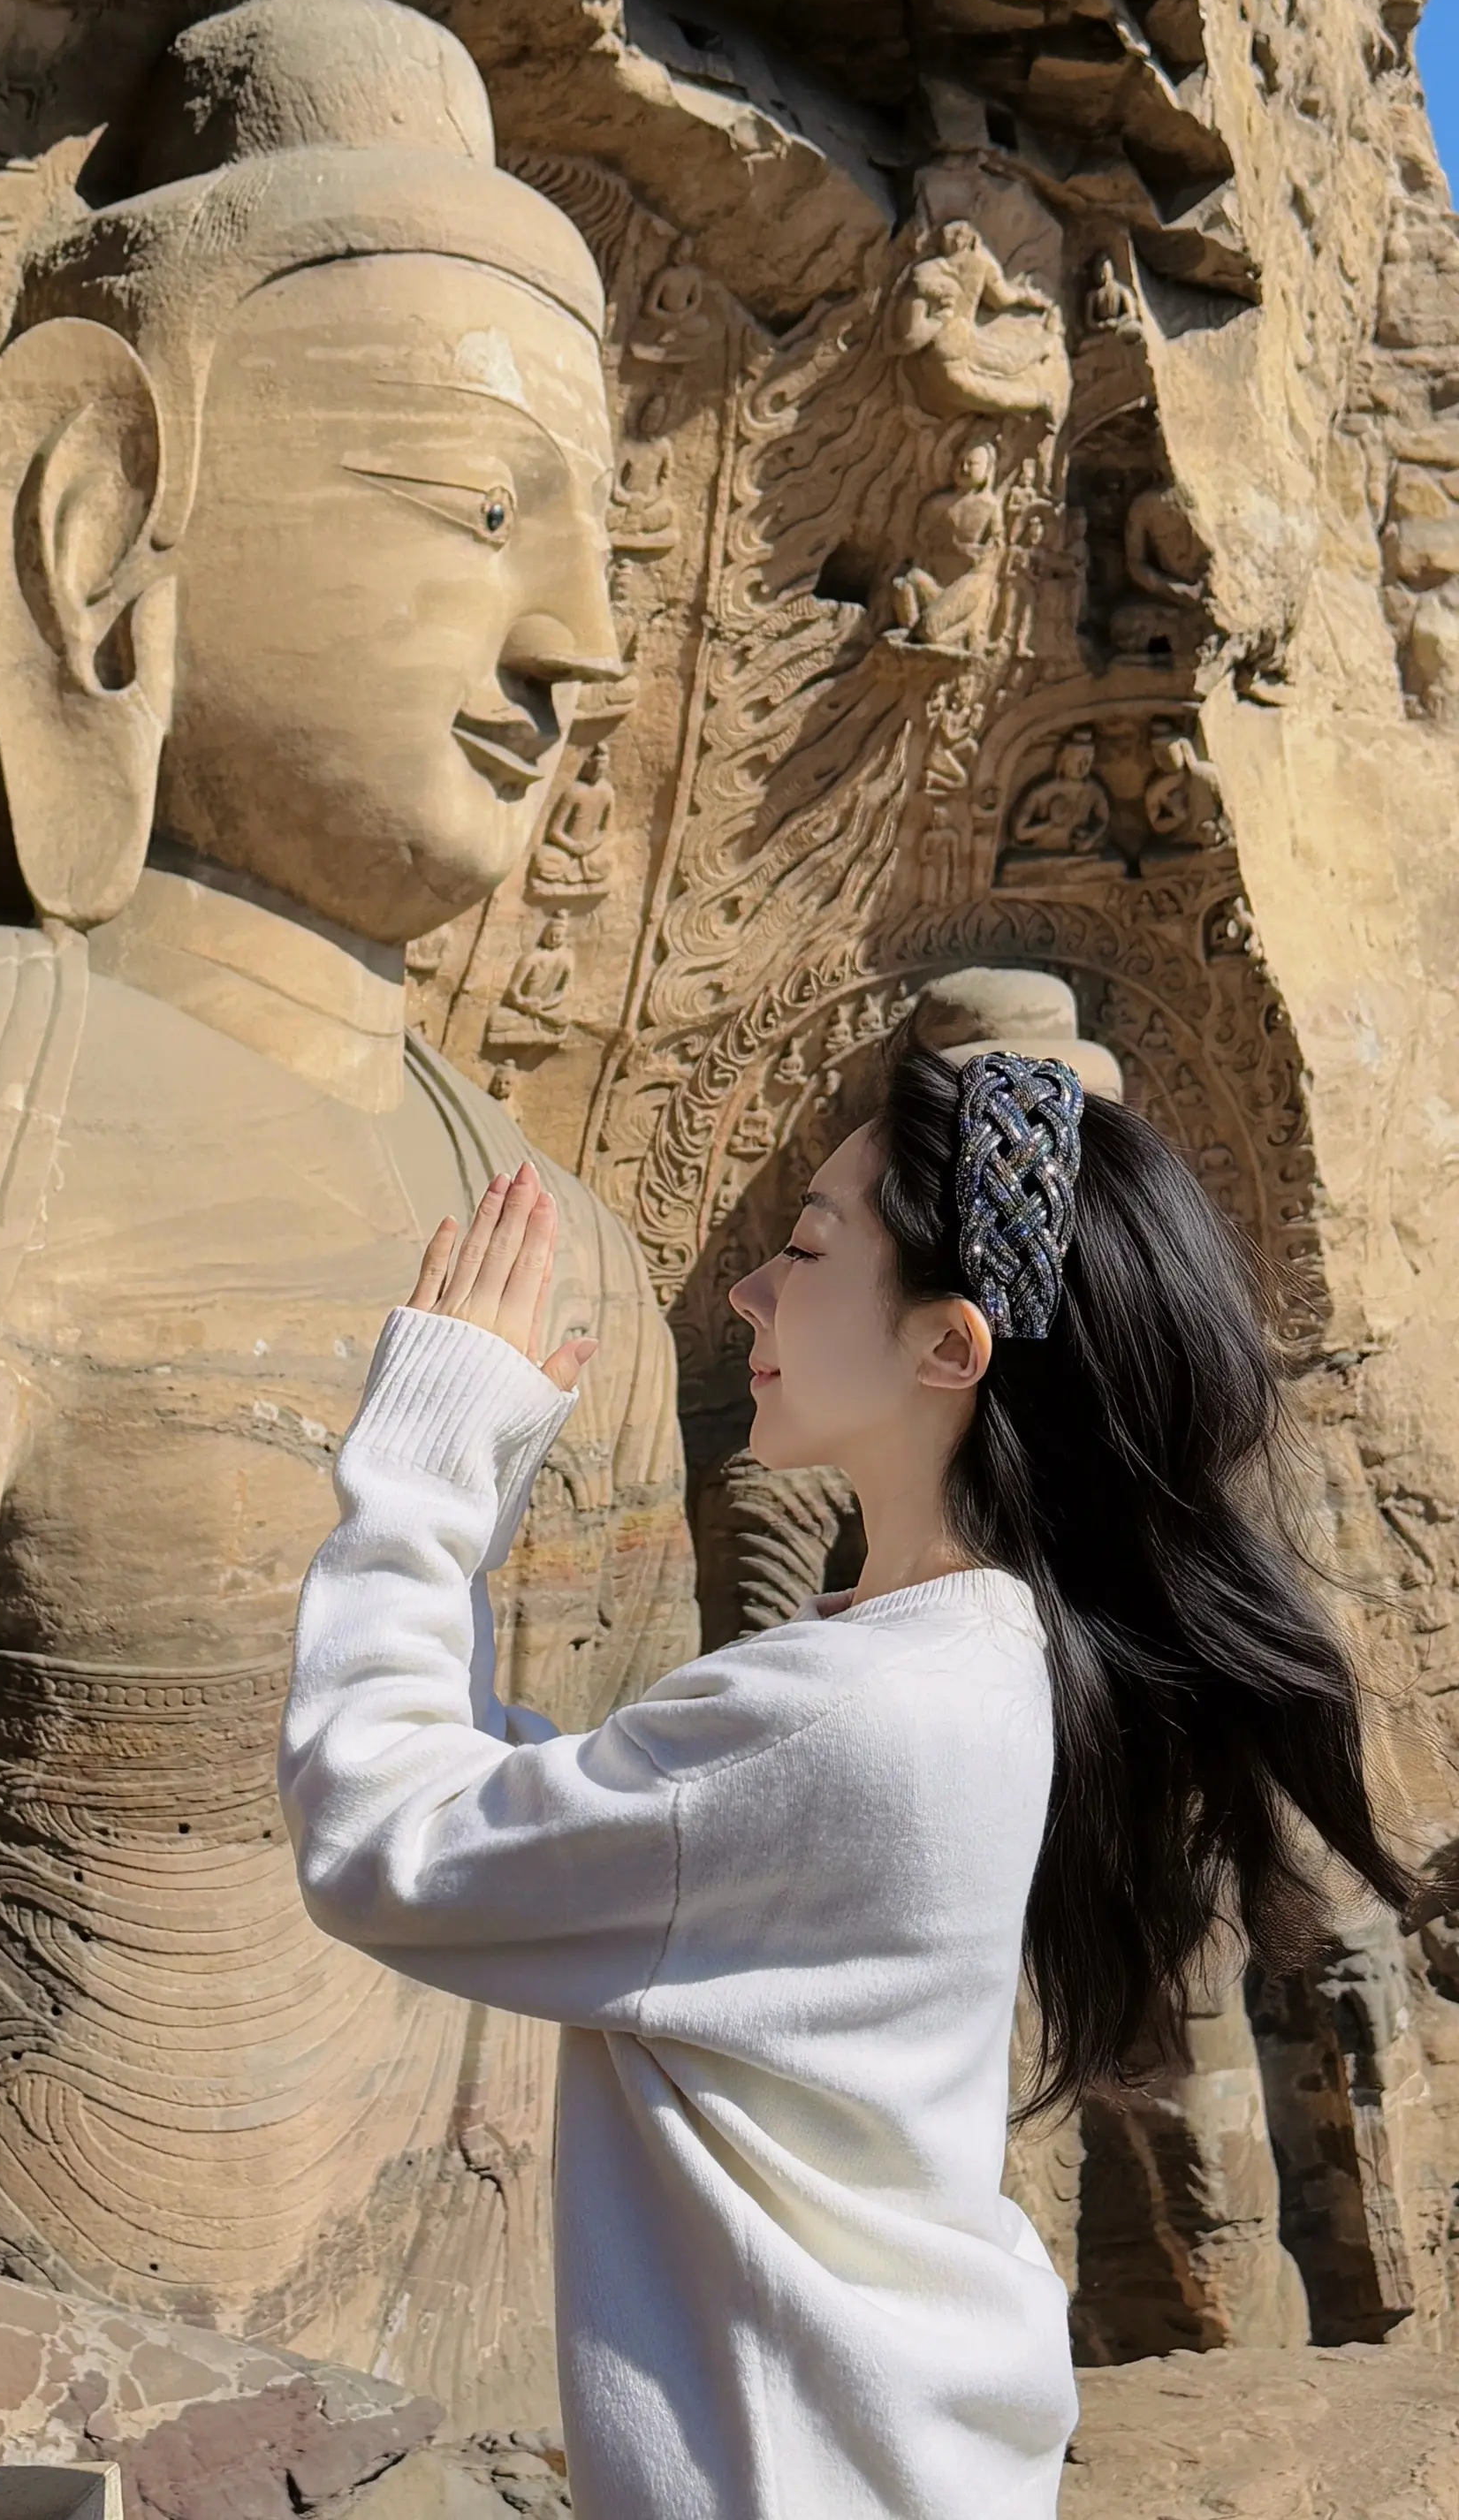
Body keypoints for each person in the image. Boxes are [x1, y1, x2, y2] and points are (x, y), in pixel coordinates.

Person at [278, 1047, 1412, 2518]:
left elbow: (382, 1834)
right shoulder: (978, 1661)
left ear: (949, 1349)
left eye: (807, 1249)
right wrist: (470, 1505)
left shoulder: (854, 1714)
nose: (747, 1292)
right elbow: (539, 1831)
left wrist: (424, 1467)